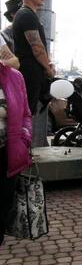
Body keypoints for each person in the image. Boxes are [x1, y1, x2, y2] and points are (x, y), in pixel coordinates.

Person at [12, 0, 54, 147]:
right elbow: (36, 47)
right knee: (26, 112)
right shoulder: (27, 15)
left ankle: (23, 150)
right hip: (29, 71)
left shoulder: (28, 15)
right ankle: (21, 151)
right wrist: (48, 68)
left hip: (31, 70)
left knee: (28, 111)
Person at [0, 54, 32, 246]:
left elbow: (26, 113)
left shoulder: (14, 77)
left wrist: (25, 137)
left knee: (5, 199)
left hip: (8, 148)